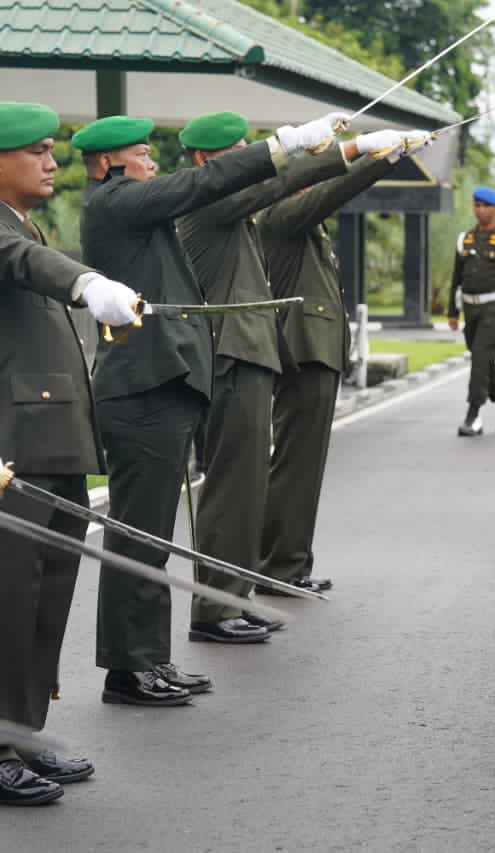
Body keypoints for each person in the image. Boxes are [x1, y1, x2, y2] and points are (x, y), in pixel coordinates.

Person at [76, 109, 342, 704]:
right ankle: (128, 667)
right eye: (142, 154)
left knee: (151, 535)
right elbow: (204, 183)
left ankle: (147, 659)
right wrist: (287, 144)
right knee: (136, 536)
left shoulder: (136, 206)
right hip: (141, 387)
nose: (151, 161)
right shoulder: (115, 201)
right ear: (107, 164)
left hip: (163, 383)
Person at [177, 114, 396, 641]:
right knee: (232, 485)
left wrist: (364, 155)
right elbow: (286, 183)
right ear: (206, 162)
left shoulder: (237, 207)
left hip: (252, 350)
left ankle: (235, 592)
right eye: (238, 152)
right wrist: (360, 152)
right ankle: (217, 605)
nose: (252, 160)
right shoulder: (212, 200)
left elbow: (287, 182)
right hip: (232, 353)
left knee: (247, 483)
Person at [0, 102, 140, 805]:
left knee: (45, 599)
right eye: (36, 151)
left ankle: (24, 734)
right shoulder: (7, 235)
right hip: (12, 449)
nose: (52, 162)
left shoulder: (24, 223)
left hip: (48, 441)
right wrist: (87, 282)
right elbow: (27, 264)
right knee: (9, 603)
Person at [257, 134, 410, 593]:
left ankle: (292, 563)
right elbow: (334, 191)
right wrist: (383, 158)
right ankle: (279, 567)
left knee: (304, 467)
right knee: (294, 465)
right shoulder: (281, 214)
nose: (316, 180)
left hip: (318, 353)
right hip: (305, 352)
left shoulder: (302, 222)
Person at [448, 186, 495, 436]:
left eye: (486, 206)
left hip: (494, 307)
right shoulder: (465, 239)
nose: (481, 210)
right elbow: (456, 277)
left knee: (479, 356)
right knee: (484, 360)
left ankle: (473, 414)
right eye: (477, 205)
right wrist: (452, 313)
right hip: (469, 307)